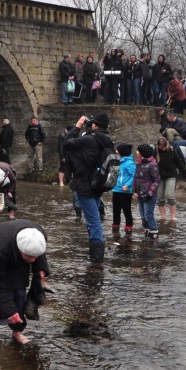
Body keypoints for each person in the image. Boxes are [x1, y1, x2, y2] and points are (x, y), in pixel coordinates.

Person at [0, 219, 50, 345]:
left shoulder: (39, 235)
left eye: (34, 257)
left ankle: (16, 332)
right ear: (21, 250)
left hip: (14, 248)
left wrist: (40, 268)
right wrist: (9, 310)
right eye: (29, 257)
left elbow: (39, 254)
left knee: (20, 293)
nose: (33, 260)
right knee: (7, 294)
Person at [63, 113, 113, 263]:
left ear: (95, 125)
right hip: (97, 184)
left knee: (94, 222)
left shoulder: (89, 140)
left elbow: (66, 143)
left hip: (85, 186)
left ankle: (97, 258)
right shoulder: (106, 140)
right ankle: (94, 254)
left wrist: (78, 126)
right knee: (94, 218)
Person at [155, 137, 186, 222]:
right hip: (159, 177)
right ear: (158, 146)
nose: (163, 149)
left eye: (164, 147)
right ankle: (163, 216)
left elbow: (178, 162)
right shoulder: (154, 151)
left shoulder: (171, 150)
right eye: (161, 147)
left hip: (171, 175)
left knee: (170, 195)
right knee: (160, 197)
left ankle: (173, 216)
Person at [133, 144, 161, 238]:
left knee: (148, 215)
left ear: (142, 153)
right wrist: (134, 191)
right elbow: (136, 178)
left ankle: (154, 233)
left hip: (150, 195)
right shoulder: (138, 163)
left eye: (138, 151)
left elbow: (157, 181)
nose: (136, 152)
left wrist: (149, 193)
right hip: (140, 194)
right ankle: (147, 232)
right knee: (143, 216)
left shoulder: (152, 164)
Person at [111, 143, 135, 233]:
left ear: (122, 152)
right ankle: (115, 229)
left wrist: (127, 185)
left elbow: (134, 176)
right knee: (115, 211)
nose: (116, 151)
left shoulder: (130, 163)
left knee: (127, 211)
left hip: (125, 192)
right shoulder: (119, 161)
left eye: (118, 150)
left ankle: (128, 230)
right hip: (116, 190)